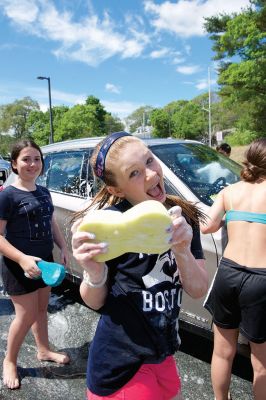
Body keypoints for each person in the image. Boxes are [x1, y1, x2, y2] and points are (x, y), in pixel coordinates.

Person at [71, 131, 208, 400]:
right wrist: (94, 272)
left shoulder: (183, 219)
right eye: (134, 173)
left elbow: (198, 288)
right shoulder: (110, 227)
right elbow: (95, 302)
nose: (150, 174)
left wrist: (182, 250)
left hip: (163, 351)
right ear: (116, 190)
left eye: (149, 161)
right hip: (120, 364)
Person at [0, 139, 70, 390]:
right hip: (18, 265)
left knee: (41, 309)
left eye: (37, 159)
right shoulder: (7, 195)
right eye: (26, 159)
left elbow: (51, 223)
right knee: (26, 314)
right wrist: (21, 258)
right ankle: (9, 360)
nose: (32, 164)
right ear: (14, 164)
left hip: (45, 263)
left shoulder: (44, 192)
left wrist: (63, 247)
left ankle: (43, 350)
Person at [200, 138, 266, 400]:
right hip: (261, 280)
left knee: (221, 352)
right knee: (260, 363)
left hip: (228, 274)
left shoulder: (230, 191)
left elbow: (207, 226)